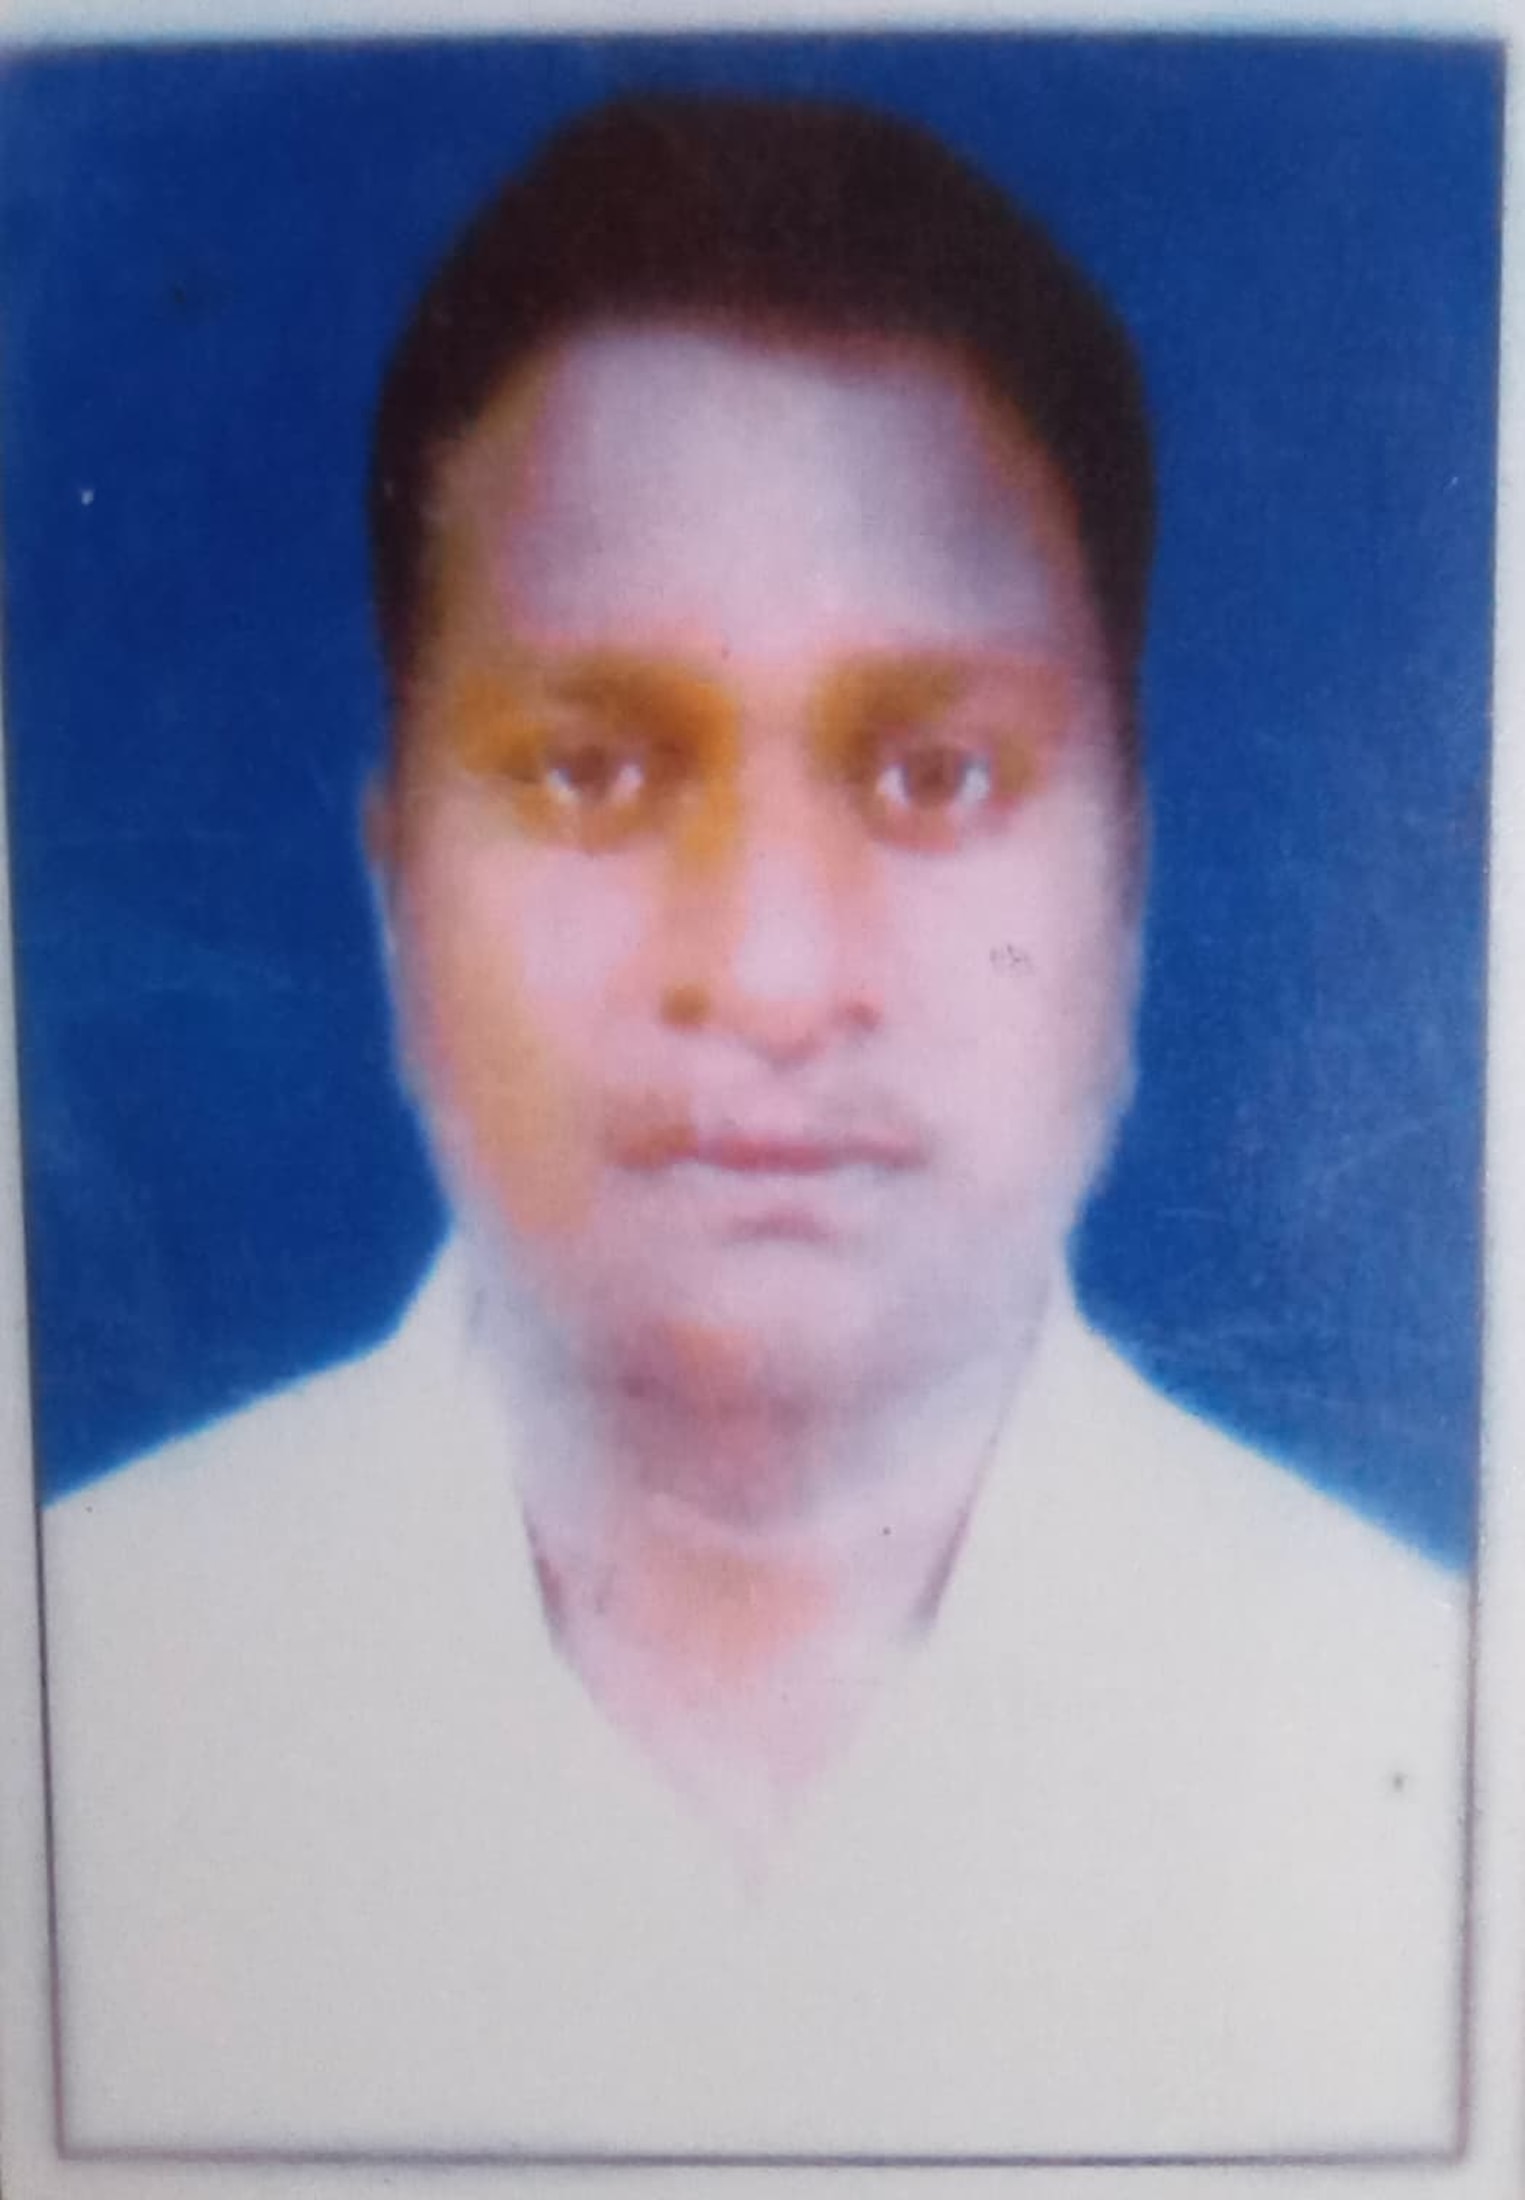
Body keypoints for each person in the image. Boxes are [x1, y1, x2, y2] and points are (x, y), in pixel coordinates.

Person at [43, 93, 1466, 2161]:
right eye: (593, 772)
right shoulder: (88, 1699)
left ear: (1129, 885)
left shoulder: (1422, 1742)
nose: (775, 974)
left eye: (935, 776)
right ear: (395, 888)